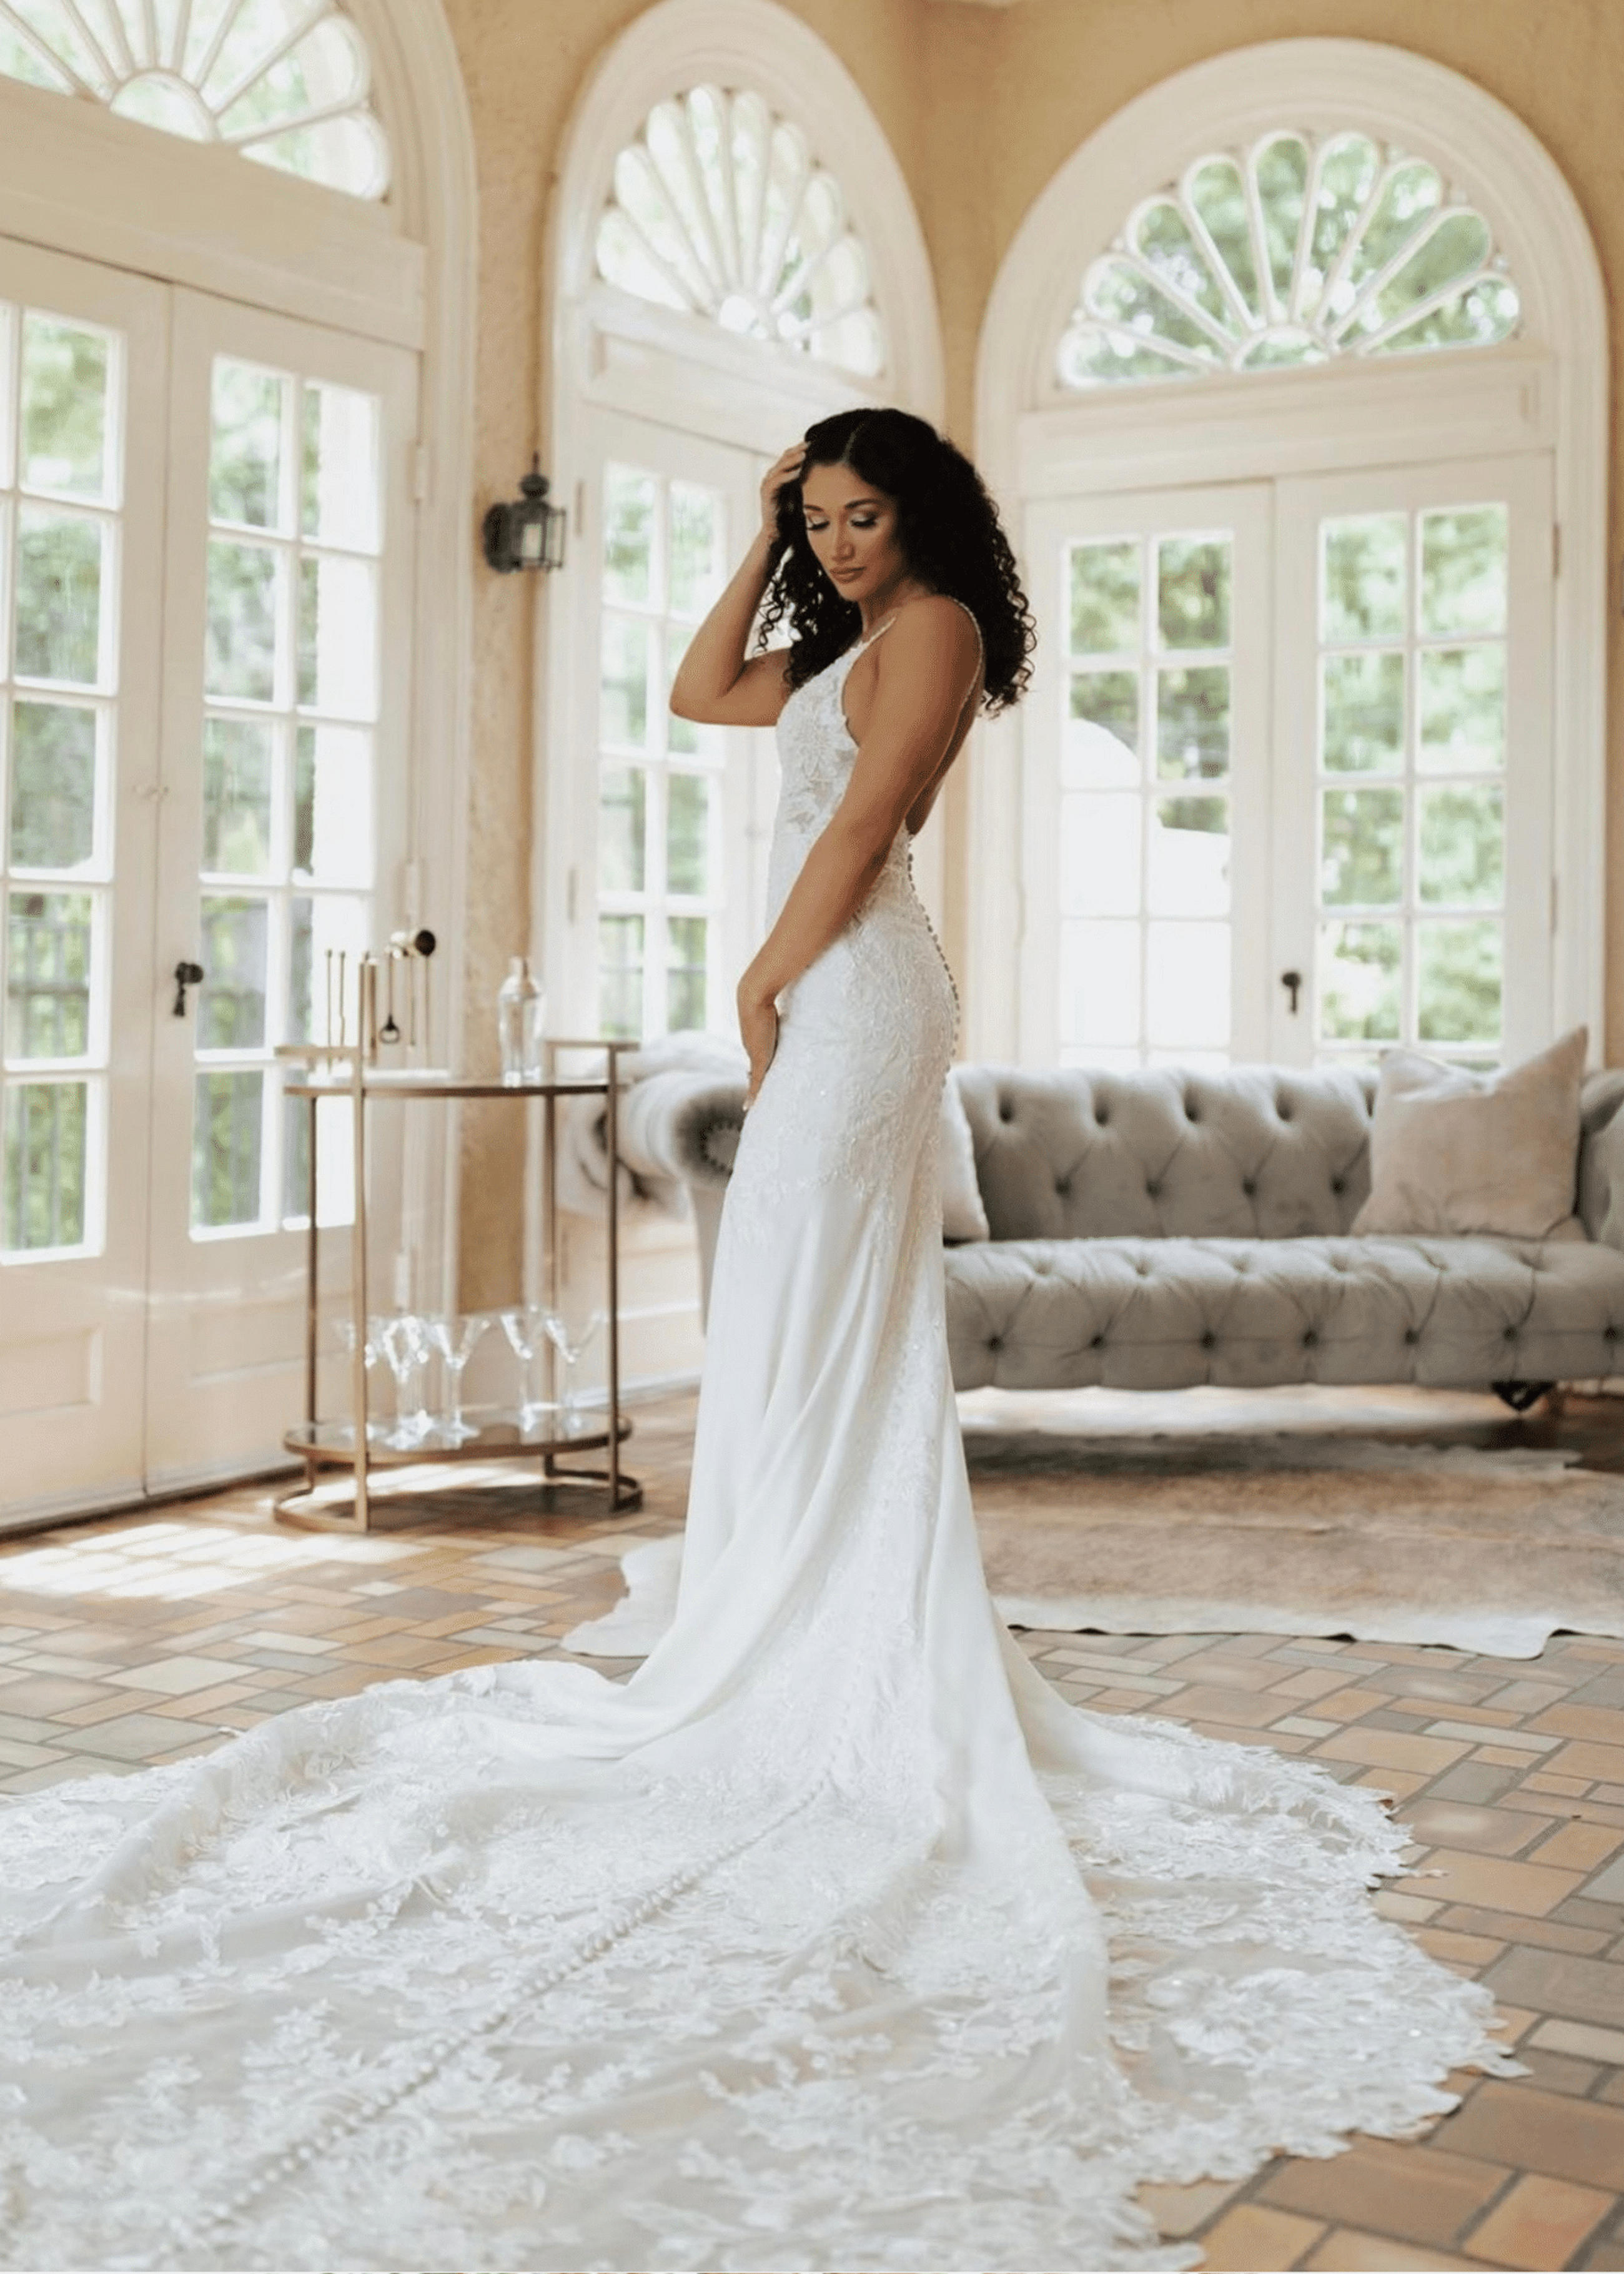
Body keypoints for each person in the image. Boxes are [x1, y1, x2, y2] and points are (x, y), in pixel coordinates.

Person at [0, 408, 1508, 2274]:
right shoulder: (839, 623)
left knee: (805, 1308)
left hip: (862, 993)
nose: (852, 546)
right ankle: (770, 1614)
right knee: (792, 1320)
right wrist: (759, 526)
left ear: (928, 513)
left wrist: (762, 977)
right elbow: (705, 687)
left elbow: (867, 825)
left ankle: (813, 1639)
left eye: (868, 516)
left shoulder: (938, 625)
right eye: (830, 522)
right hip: (839, 980)